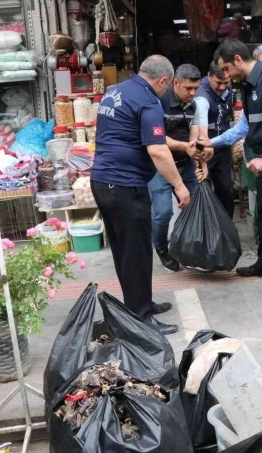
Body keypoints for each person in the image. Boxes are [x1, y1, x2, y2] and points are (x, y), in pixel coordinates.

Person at [196, 39, 262, 303]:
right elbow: (244, 126)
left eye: (226, 69)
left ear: (236, 60)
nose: (225, 76)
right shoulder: (247, 85)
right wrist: (212, 143)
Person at [91, 55, 190, 336]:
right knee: (136, 253)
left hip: (103, 182)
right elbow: (156, 150)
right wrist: (179, 187)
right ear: (162, 81)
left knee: (127, 251)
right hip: (125, 186)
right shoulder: (149, 101)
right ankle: (141, 319)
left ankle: (138, 305)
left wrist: (182, 146)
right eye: (167, 86)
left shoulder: (117, 92)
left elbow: (147, 135)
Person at [149, 63, 206, 273]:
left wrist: (199, 159)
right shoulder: (158, 103)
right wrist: (184, 146)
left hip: (185, 164)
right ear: (175, 83)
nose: (192, 93)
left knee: (194, 206)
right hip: (160, 165)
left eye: (196, 88)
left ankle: (187, 247)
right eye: (188, 88)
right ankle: (162, 249)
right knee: (163, 212)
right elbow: (156, 138)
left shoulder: (194, 106)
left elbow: (194, 134)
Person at [194, 62, 234, 218]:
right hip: (204, 147)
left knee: (225, 188)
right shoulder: (201, 97)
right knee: (200, 187)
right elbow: (201, 125)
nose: (223, 87)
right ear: (209, 76)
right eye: (219, 83)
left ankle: (227, 227)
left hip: (222, 147)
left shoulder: (227, 89)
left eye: (226, 83)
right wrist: (206, 144)